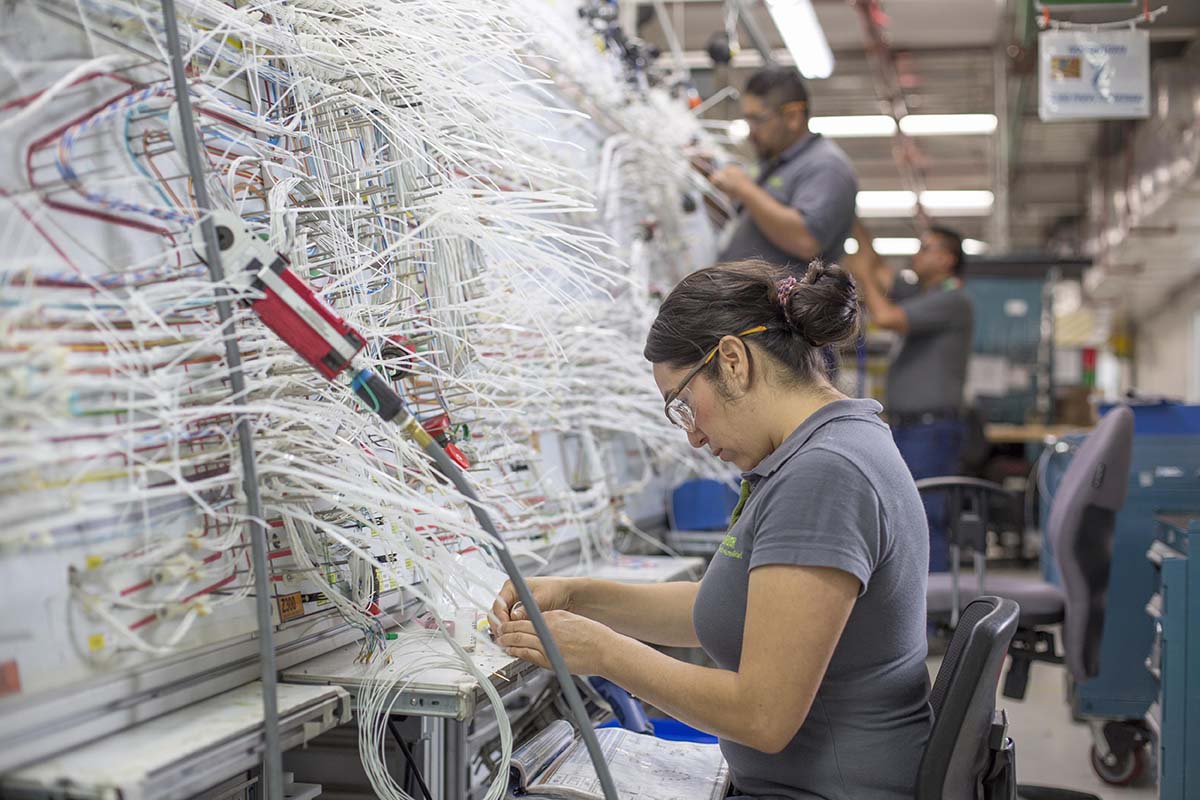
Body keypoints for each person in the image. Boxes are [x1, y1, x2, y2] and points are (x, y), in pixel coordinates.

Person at [494, 259, 933, 800]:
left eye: (683, 406)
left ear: (732, 360)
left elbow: (762, 717)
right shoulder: (828, 447)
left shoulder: (825, 475)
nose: (693, 437)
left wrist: (603, 652)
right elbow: (728, 611)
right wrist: (579, 597)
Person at [843, 220, 974, 573]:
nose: (916, 254)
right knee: (906, 517)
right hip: (911, 430)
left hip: (929, 431)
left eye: (926, 248)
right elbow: (878, 267)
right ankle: (921, 610)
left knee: (926, 519)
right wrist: (854, 223)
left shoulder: (951, 300)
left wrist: (861, 275)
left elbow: (885, 316)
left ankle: (934, 616)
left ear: (947, 259)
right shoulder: (923, 297)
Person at [709, 67, 858, 272]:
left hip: (782, 302)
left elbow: (806, 240)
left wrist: (744, 189)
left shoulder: (827, 167)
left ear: (793, 117)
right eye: (747, 120)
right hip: (747, 299)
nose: (751, 133)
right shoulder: (771, 163)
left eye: (758, 120)